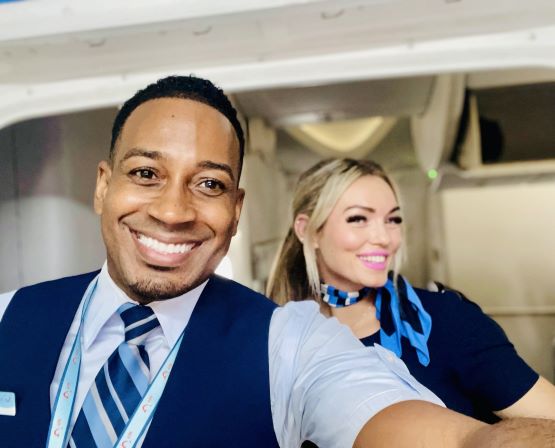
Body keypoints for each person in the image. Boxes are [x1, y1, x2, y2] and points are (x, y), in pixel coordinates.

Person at [0, 77, 553, 448]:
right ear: (102, 186)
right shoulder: (9, 317)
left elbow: (453, 439)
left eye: (210, 183)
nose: (172, 210)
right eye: (146, 173)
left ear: (236, 210)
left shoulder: (293, 342)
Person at [267, 157, 555, 429]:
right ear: (308, 231)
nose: (383, 238)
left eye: (393, 220)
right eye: (358, 219)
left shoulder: (447, 320)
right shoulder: (281, 339)